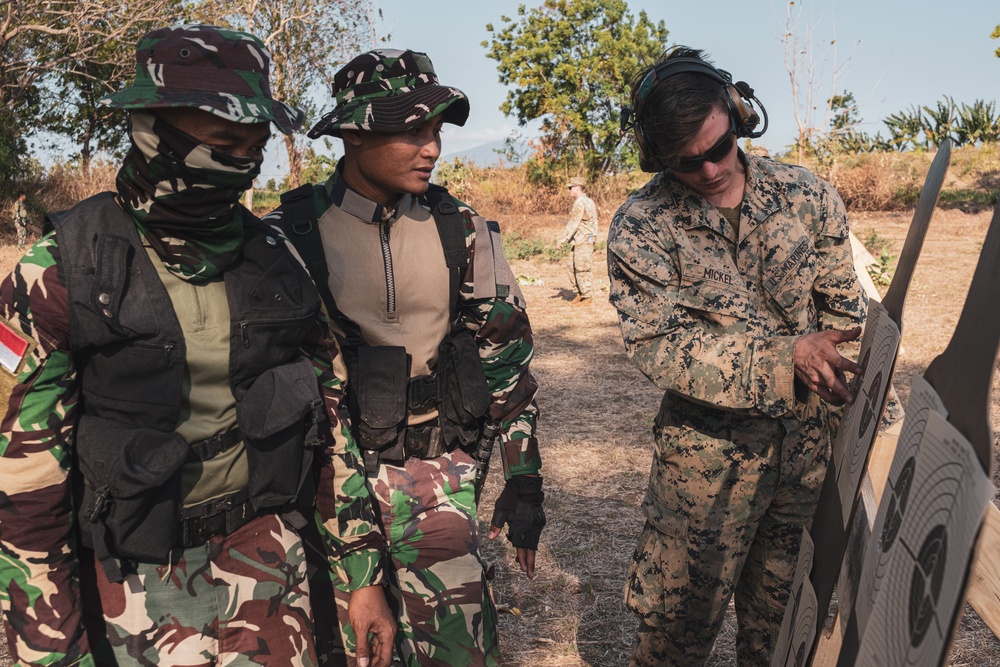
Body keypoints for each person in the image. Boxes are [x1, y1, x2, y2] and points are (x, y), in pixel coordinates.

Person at [0, 24, 395, 667]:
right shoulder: (61, 270)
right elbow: (23, 482)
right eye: (221, 143)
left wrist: (362, 573)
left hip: (267, 565)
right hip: (130, 584)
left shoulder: (276, 259)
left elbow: (328, 422)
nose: (240, 163)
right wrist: (50, 648)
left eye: (255, 146)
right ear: (151, 131)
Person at [264, 48, 545, 667]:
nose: (433, 149)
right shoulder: (285, 235)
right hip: (328, 485)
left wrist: (525, 480)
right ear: (355, 132)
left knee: (459, 649)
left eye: (438, 131)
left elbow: (506, 360)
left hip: (436, 472)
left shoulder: (463, 229)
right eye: (413, 130)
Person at [609, 47, 868, 666]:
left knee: (783, 640)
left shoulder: (808, 197)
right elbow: (660, 344)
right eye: (686, 161)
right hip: (704, 475)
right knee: (673, 640)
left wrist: (840, 374)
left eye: (719, 148)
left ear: (739, 114)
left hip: (805, 468)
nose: (708, 170)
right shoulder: (641, 227)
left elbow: (844, 318)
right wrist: (787, 360)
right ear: (657, 156)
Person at [557, 176, 598, 304]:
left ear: (577, 188)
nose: (569, 191)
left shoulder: (581, 202)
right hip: (582, 240)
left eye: (570, 188)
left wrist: (562, 240)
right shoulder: (588, 201)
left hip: (583, 240)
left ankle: (587, 296)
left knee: (582, 267)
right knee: (571, 266)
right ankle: (579, 293)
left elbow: (574, 223)